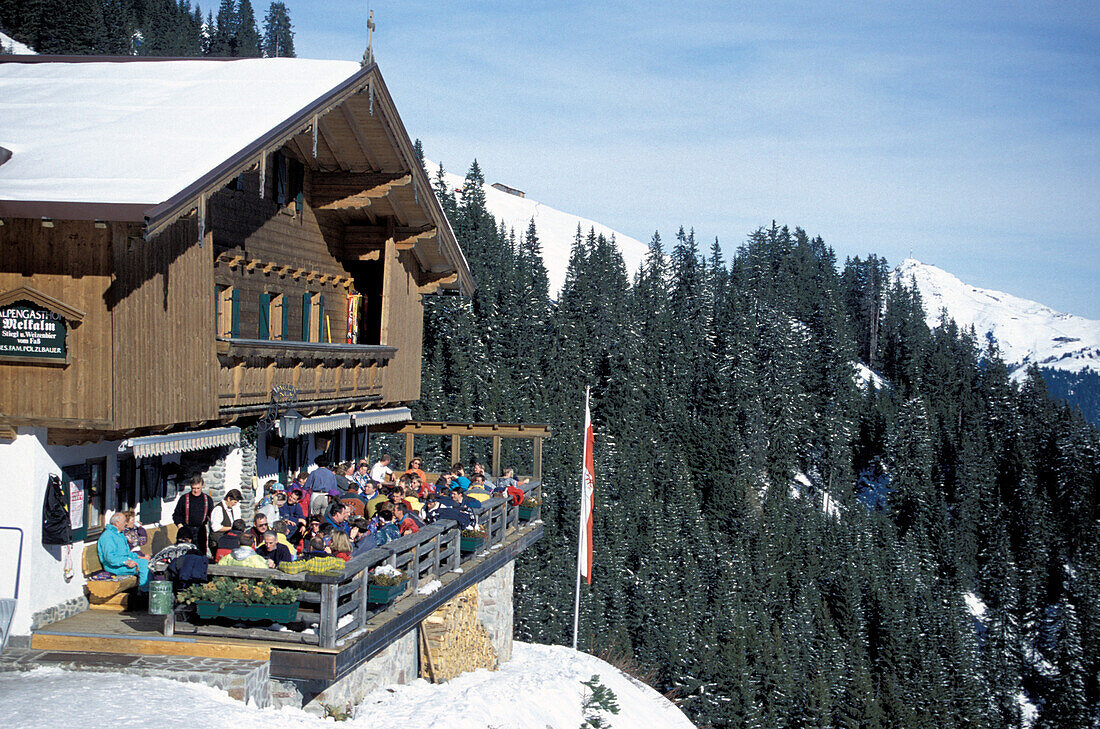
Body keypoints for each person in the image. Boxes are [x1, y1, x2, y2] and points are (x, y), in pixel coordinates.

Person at [97, 512, 150, 589]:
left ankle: (148, 589)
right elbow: (110, 558)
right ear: (117, 523)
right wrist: (126, 562)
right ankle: (144, 592)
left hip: (123, 563)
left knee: (148, 562)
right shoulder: (107, 536)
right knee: (144, 564)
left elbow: (127, 553)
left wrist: (139, 557)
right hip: (113, 567)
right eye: (124, 521)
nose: (126, 523)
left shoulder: (120, 535)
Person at [172, 475, 214, 556]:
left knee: (201, 555)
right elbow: (176, 515)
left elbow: (212, 516)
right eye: (194, 488)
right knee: (185, 555)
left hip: (201, 531)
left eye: (198, 488)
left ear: (202, 486)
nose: (196, 491)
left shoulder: (207, 499)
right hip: (186, 529)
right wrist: (181, 528)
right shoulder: (184, 498)